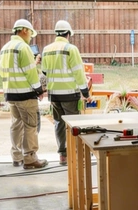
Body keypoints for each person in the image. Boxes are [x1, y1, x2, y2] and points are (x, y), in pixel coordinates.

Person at [0, 19, 48, 169]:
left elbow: (2, 71)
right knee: (30, 126)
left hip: (11, 94)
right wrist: (39, 90)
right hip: (25, 95)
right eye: (30, 34)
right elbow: (30, 73)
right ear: (24, 30)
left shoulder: (5, 48)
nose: (30, 38)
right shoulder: (23, 47)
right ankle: (30, 158)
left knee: (16, 124)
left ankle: (17, 157)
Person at [40, 20, 90, 166]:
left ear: (56, 33)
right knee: (74, 123)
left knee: (59, 123)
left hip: (54, 94)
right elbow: (78, 73)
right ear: (68, 34)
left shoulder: (46, 49)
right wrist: (85, 93)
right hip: (69, 94)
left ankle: (63, 155)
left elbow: (44, 72)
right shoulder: (71, 49)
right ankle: (75, 154)